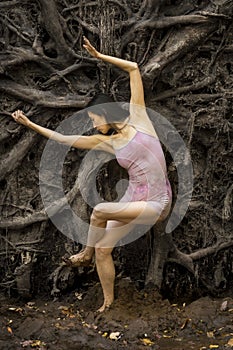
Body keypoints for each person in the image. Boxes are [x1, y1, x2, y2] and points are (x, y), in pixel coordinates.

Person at [11, 36, 172, 312]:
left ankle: (84, 254)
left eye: (95, 119)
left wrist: (99, 55)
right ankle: (108, 303)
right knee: (104, 248)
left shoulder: (140, 117)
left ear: (104, 113)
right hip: (133, 200)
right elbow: (64, 139)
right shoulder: (107, 142)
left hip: (158, 203)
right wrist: (30, 124)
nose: (94, 125)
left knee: (98, 211)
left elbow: (133, 68)